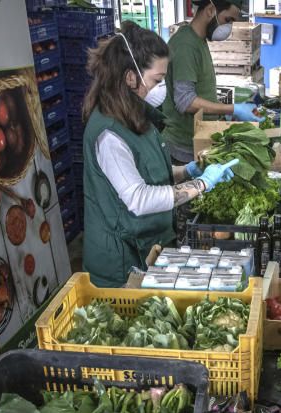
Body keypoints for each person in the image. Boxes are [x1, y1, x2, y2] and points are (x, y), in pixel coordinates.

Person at [82, 23, 239, 287]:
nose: (162, 86)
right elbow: (139, 198)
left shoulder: (136, 115)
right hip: (121, 261)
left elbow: (148, 173)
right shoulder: (109, 134)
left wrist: (186, 171)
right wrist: (200, 184)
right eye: (157, 79)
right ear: (131, 77)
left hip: (147, 246)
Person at [161, 0, 258, 165]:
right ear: (210, 10)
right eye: (228, 20)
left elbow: (201, 91)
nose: (229, 28)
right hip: (183, 150)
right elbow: (185, 101)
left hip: (197, 141)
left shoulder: (198, 41)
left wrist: (224, 113)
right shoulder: (186, 45)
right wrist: (232, 108)